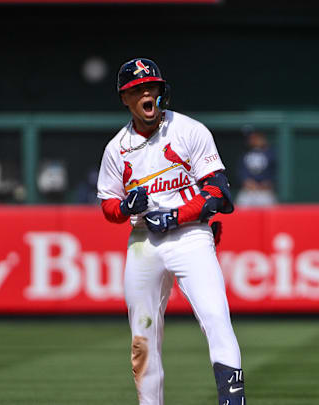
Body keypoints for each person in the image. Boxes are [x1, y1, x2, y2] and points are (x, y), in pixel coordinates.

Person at [97, 58, 246, 405]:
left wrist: (177, 216)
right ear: (125, 98)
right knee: (143, 338)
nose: (146, 92)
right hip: (143, 243)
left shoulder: (189, 130)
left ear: (162, 91)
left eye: (152, 86)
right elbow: (108, 205)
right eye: (137, 89)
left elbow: (219, 192)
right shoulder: (116, 148)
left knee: (216, 319)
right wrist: (125, 208)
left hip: (191, 236)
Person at [235, 128, 277, 206]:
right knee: (241, 208)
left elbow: (277, 172)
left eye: (255, 138)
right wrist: (246, 181)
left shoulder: (271, 153)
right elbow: (240, 171)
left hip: (265, 191)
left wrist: (269, 182)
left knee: (271, 211)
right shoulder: (245, 153)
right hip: (248, 191)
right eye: (251, 138)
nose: (253, 140)